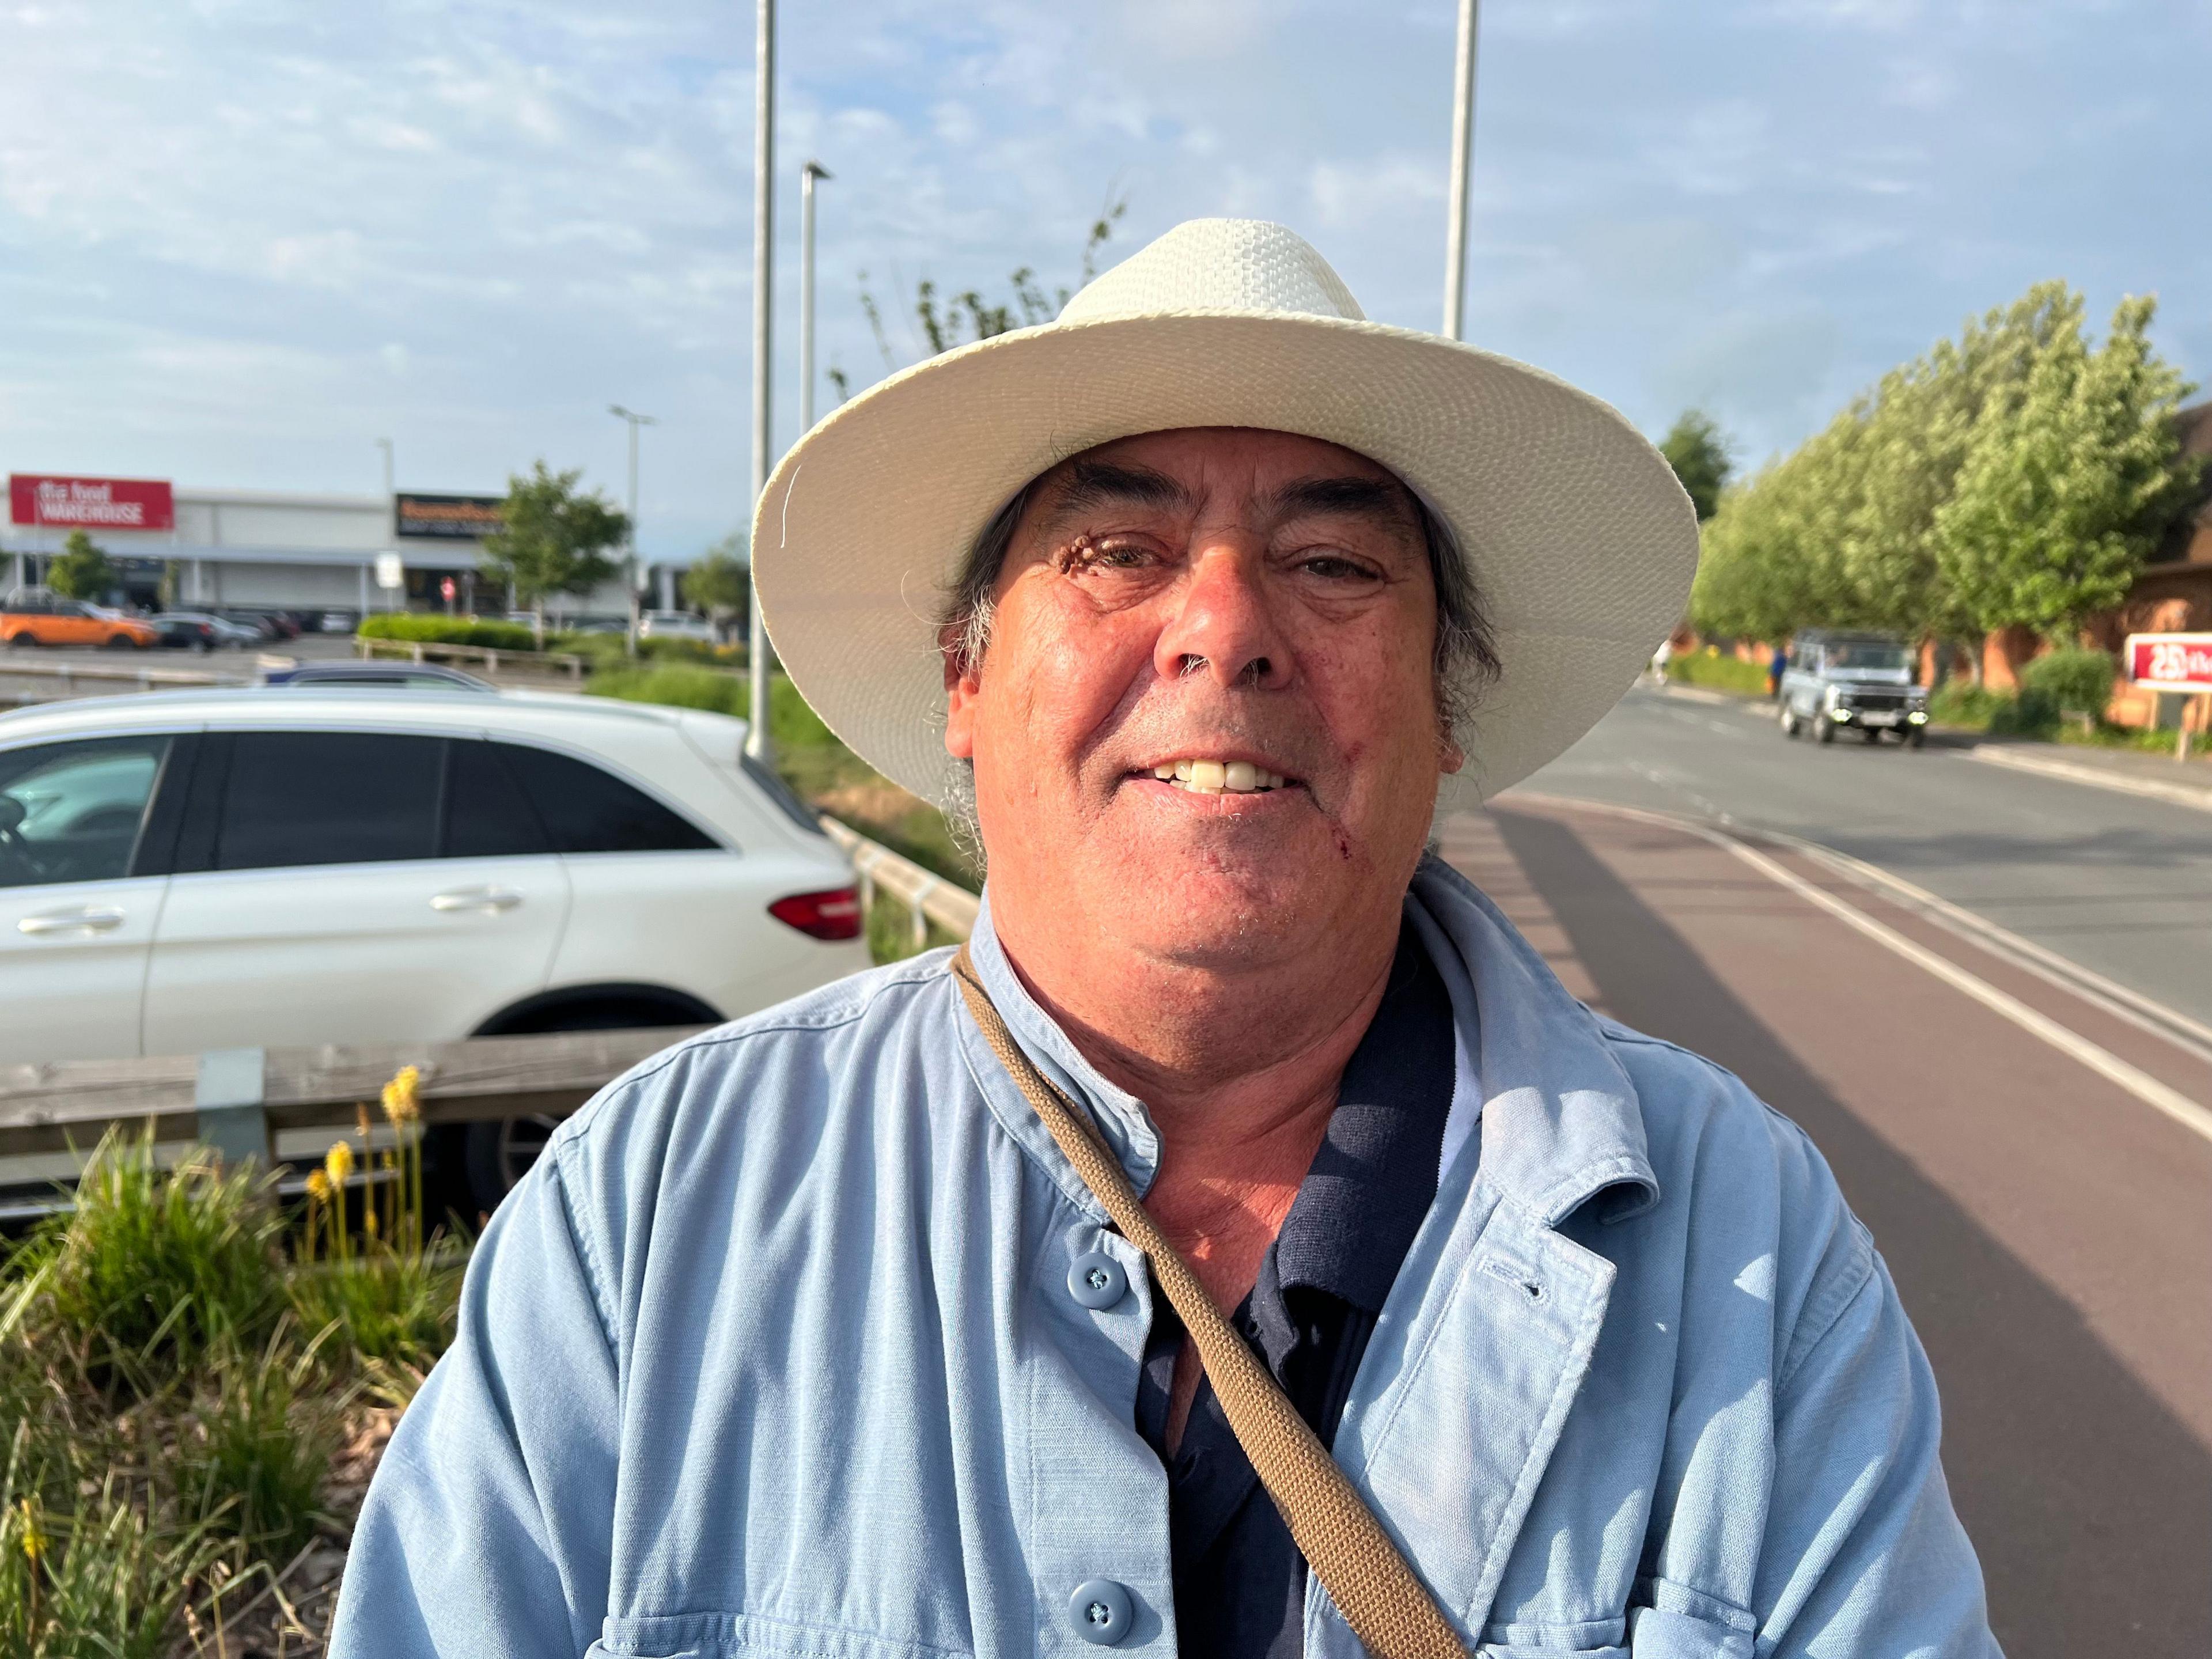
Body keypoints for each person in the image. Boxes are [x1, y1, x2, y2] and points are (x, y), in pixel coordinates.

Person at [331, 220, 1997, 1658]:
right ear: (967, 682)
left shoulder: (1746, 1255)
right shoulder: (650, 1225)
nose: (1224, 629)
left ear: (1445, 706)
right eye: (1118, 551)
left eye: (1335, 561)